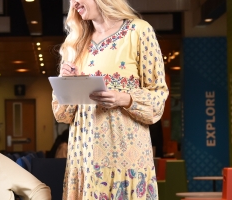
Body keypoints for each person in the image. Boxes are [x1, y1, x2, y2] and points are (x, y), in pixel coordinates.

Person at [52, 0, 168, 198]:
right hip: (85, 157)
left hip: (126, 155)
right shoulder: (75, 42)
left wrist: (124, 99)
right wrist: (68, 83)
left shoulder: (139, 31)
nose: (74, 3)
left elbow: (157, 96)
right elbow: (62, 115)